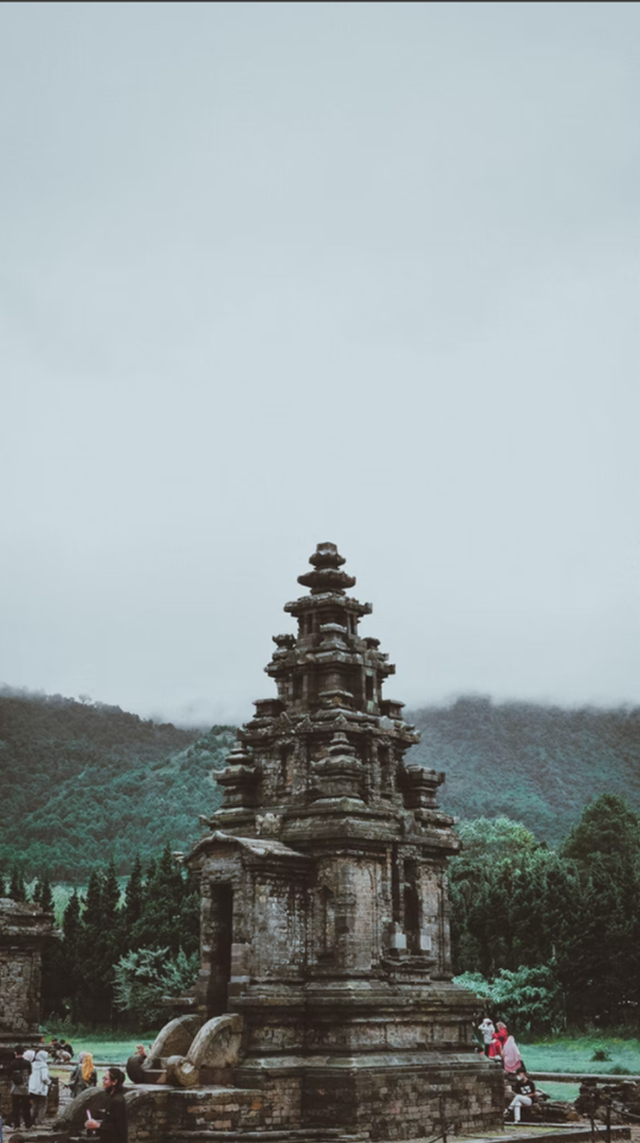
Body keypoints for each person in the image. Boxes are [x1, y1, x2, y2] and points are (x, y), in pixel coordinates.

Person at [86, 1067, 128, 1142]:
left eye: (106, 1079)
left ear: (114, 1082)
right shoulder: (112, 1098)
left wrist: (98, 1125)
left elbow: (118, 1127)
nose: (103, 1082)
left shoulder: (118, 1101)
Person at [9, 1047, 32, 1130]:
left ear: (15, 1053)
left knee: (16, 1108)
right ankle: (28, 1124)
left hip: (15, 1089)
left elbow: (9, 1074)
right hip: (25, 1088)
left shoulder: (12, 1063)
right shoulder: (27, 1063)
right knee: (26, 1107)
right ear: (23, 1053)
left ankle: (16, 1124)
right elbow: (30, 1073)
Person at [29, 1048, 51, 1125]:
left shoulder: (32, 1064)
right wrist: (49, 1082)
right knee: (42, 1105)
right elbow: (44, 1078)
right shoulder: (44, 1066)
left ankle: (30, 1120)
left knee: (34, 1104)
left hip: (32, 1088)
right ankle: (39, 1121)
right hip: (41, 1089)